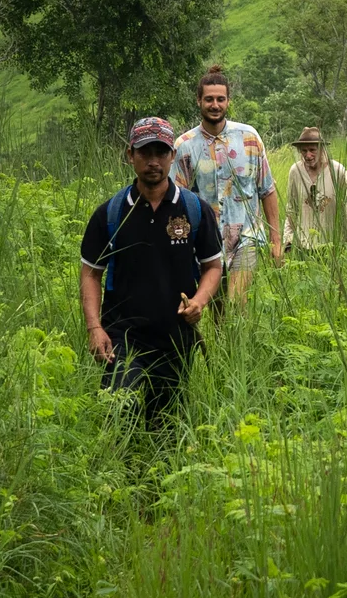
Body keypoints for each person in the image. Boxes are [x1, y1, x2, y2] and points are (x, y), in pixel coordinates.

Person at [78, 117, 224, 426]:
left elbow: (212, 266)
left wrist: (199, 301)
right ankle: (119, 472)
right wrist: (94, 328)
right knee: (119, 412)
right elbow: (91, 273)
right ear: (130, 154)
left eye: (161, 152)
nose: (153, 161)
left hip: (175, 337)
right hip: (122, 336)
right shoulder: (111, 213)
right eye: (145, 152)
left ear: (173, 155)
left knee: (166, 425)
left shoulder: (194, 209)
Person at [171, 65, 282, 302]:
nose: (215, 105)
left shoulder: (249, 138)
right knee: (219, 309)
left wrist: (276, 240)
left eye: (221, 99)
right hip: (205, 241)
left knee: (237, 301)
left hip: (246, 235)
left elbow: (267, 190)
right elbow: (174, 199)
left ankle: (241, 337)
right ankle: (224, 340)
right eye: (209, 99)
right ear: (199, 100)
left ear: (228, 101)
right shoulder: (184, 146)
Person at [285, 127, 347, 249]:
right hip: (303, 245)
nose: (308, 155)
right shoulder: (295, 171)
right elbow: (292, 208)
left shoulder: (338, 171)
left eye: (312, 150)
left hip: (333, 245)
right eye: (304, 151)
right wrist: (288, 240)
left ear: (322, 149)